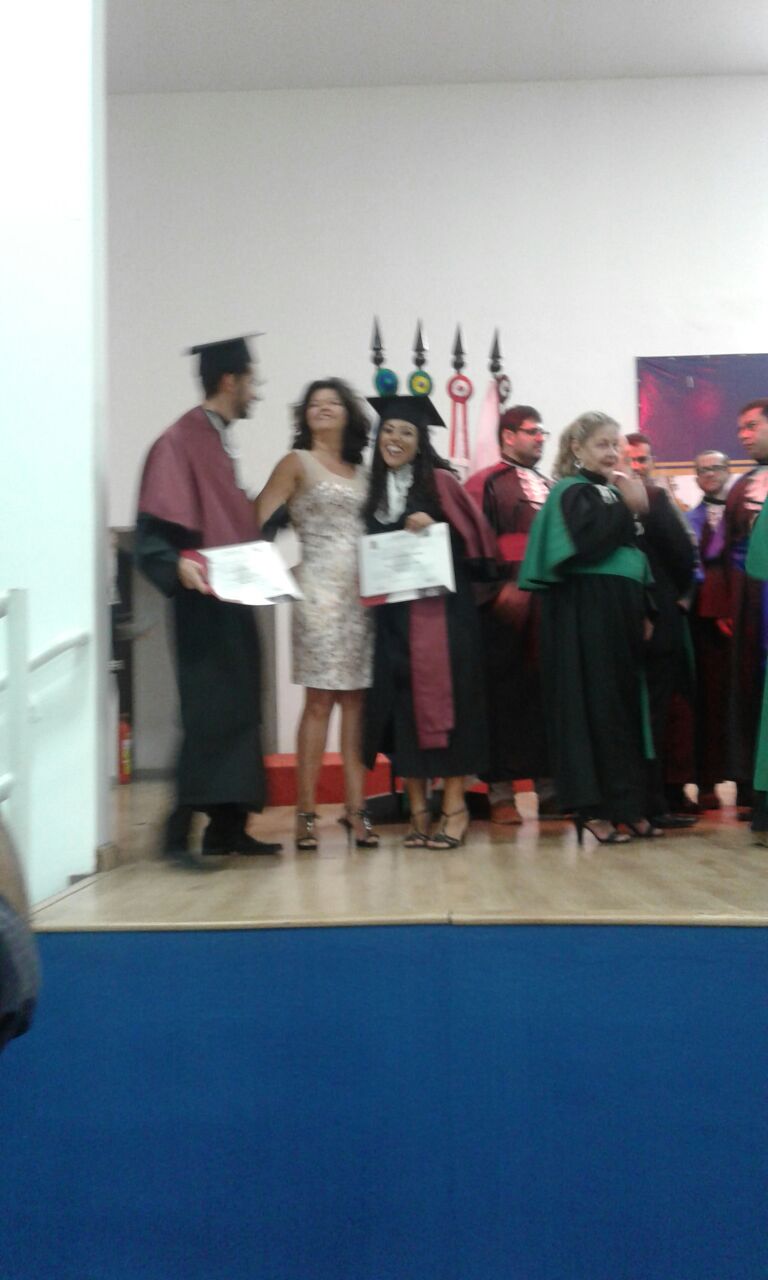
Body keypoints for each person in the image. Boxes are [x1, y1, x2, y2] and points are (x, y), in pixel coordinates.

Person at [136, 334, 282, 858]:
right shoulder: (180, 440)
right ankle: (177, 833)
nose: (255, 393)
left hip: (232, 599)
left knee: (241, 708)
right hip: (202, 601)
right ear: (229, 380)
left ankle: (227, 828)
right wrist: (174, 563)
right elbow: (154, 530)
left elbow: (232, 525)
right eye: (252, 382)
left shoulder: (217, 441)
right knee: (209, 713)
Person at [362, 396, 499, 849]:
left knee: (452, 708)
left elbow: (478, 546)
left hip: (443, 618)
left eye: (406, 432)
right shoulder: (373, 493)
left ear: (421, 442)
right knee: (403, 711)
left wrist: (437, 524)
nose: (395, 439)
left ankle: (455, 808)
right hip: (393, 620)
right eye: (388, 430)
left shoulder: (440, 482)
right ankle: (418, 810)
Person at [519, 412, 658, 844]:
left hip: (620, 613)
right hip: (583, 614)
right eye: (602, 444)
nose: (612, 452)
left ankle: (627, 805)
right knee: (589, 708)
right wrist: (630, 506)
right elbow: (589, 544)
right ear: (577, 448)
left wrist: (647, 608)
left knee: (621, 708)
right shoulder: (570, 492)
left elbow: (635, 554)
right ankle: (592, 810)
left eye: (616, 444)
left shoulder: (613, 491)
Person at [255, 379, 375, 851]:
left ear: (349, 413)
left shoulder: (364, 471)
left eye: (332, 402)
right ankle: (305, 812)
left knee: (357, 702)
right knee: (320, 700)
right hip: (318, 595)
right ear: (304, 415)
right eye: (314, 404)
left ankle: (356, 809)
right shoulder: (296, 462)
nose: (322, 408)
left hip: (361, 597)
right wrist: (273, 574)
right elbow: (256, 522)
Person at [465, 406, 552, 823]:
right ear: (508, 436)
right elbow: (469, 542)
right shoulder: (485, 483)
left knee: (546, 693)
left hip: (548, 601)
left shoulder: (553, 486)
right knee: (502, 697)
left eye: (542, 432)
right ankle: (500, 794)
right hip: (502, 604)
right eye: (532, 431)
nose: (540, 438)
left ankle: (550, 790)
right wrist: (495, 590)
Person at [623, 439, 696, 828]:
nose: (635, 466)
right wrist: (676, 594)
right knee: (653, 713)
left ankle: (636, 803)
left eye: (641, 459)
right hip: (657, 614)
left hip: (622, 617)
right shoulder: (651, 498)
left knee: (635, 713)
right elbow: (683, 555)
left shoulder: (602, 500)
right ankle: (650, 805)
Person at [724, 399, 768, 805]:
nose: (743, 435)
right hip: (751, 604)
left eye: (752, 426)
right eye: (740, 428)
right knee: (750, 688)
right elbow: (727, 550)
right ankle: (754, 788)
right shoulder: (741, 487)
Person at [685, 451, 732, 807]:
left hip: (747, 616)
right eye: (702, 470)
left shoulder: (747, 513)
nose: (709, 474)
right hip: (703, 621)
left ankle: (751, 786)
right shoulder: (688, 519)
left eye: (715, 468)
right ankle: (706, 782)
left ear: (728, 471)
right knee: (707, 700)